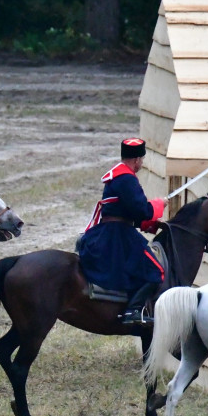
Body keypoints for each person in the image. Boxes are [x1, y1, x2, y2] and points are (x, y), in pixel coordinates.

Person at [76, 137, 166, 325]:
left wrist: (145, 224)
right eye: (141, 160)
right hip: (117, 234)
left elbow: (125, 210)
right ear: (136, 160)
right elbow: (142, 210)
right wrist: (158, 205)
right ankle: (132, 312)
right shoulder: (127, 179)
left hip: (112, 228)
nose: (141, 163)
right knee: (156, 271)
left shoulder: (118, 176)